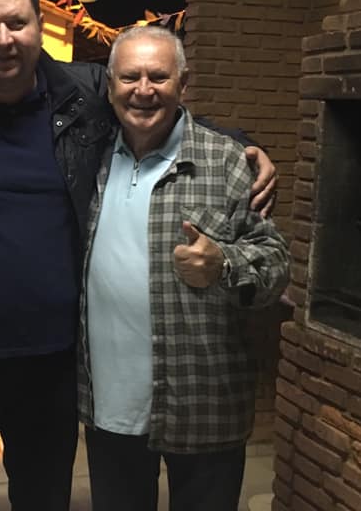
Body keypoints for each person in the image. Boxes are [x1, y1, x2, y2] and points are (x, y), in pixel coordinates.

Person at [0, 0, 279, 510]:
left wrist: (241, 146)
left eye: (16, 23)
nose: (3, 39)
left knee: (44, 500)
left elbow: (155, 105)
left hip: (53, 367)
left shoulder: (79, 95)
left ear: (39, 26)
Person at [79, 26, 290, 511]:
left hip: (203, 404)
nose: (144, 89)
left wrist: (224, 262)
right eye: (130, 77)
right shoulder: (88, 158)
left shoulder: (228, 162)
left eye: (159, 77)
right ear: (110, 86)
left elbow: (277, 264)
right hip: (109, 403)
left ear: (183, 84)